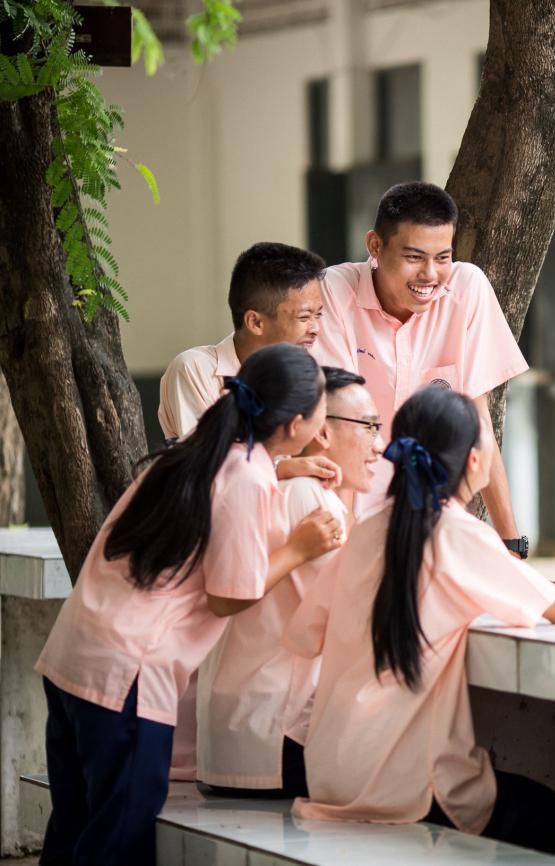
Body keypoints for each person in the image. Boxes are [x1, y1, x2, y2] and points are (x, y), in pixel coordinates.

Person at [285, 385, 555, 858]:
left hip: (329, 771)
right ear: (474, 462)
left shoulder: (366, 530)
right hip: (410, 786)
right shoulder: (458, 533)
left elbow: (303, 636)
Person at [35, 344, 342, 866]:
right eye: (323, 411)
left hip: (74, 658)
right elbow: (228, 596)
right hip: (126, 678)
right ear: (294, 425)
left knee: (74, 828)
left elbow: (231, 488)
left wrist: (282, 469)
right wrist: (299, 548)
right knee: (118, 841)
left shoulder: (201, 449)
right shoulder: (245, 475)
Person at [157, 242, 342, 781]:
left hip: (262, 555)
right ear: (254, 320)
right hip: (216, 557)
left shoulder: (308, 377)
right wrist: (293, 467)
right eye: (304, 316)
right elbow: (206, 468)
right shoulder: (197, 369)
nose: (315, 329)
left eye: (320, 316)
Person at [313, 182, 528, 557]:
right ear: (375, 247)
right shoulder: (333, 291)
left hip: (434, 523)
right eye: (414, 257)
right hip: (349, 515)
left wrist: (511, 544)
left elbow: (479, 425)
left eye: (442, 257)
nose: (430, 274)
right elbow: (342, 426)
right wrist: (345, 555)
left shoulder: (468, 289)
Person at [197, 367, 384, 798]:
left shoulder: (282, 482)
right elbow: (363, 612)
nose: (380, 445)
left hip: (241, 730)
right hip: (271, 734)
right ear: (318, 430)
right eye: (369, 426)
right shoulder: (309, 499)